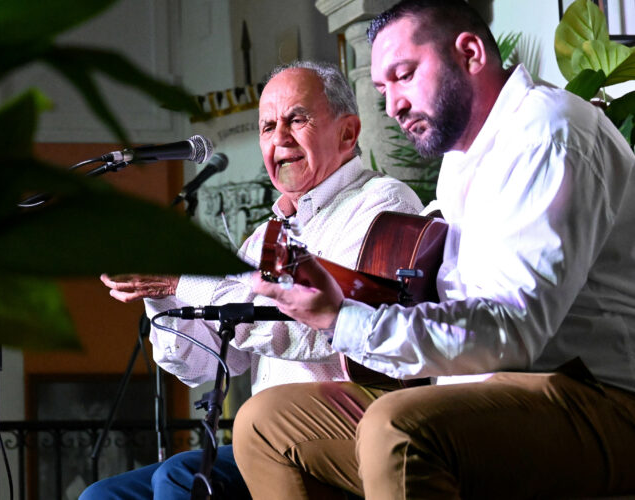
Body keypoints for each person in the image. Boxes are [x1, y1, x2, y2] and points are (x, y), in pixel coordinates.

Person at [234, 1, 635, 499]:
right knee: (265, 422)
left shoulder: (548, 133)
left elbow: (515, 331)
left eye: (404, 76)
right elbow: (454, 305)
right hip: (479, 392)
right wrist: (343, 297)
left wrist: (342, 319)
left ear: (468, 53)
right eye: (382, 89)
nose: (393, 104)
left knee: (396, 426)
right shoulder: (460, 160)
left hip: (590, 397)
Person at [79, 60, 423, 499]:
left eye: (297, 119)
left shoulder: (382, 205)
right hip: (259, 441)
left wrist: (178, 281)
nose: (279, 137)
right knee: (102, 496)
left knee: (179, 480)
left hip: (336, 436)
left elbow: (315, 326)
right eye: (267, 126)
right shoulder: (268, 232)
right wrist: (158, 288)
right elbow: (201, 365)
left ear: (348, 133)